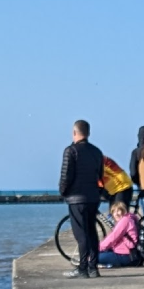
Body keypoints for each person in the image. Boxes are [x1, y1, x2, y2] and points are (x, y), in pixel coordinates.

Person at [59, 119, 104, 278]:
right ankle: (93, 268)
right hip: (92, 197)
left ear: (74, 133)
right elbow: (100, 176)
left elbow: (66, 176)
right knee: (92, 232)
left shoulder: (70, 151)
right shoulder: (97, 152)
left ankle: (83, 268)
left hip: (76, 198)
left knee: (81, 234)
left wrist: (63, 192)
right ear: (88, 133)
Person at [97, 201, 139, 268]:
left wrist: (97, 248)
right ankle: (108, 264)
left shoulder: (125, 221)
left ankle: (110, 264)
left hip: (126, 255)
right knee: (99, 254)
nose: (116, 214)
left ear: (124, 211)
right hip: (124, 252)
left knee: (93, 258)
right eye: (114, 212)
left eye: (118, 211)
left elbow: (113, 237)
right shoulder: (128, 219)